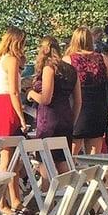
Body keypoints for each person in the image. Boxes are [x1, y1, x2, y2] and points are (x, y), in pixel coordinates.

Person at [0, 26, 29, 215]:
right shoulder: (11, 59)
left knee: (12, 158)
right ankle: (1, 202)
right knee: (7, 158)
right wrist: (22, 117)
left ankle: (14, 199)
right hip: (6, 106)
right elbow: (14, 91)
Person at [26, 36, 80, 175]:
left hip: (49, 119)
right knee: (63, 161)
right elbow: (78, 100)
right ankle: (67, 194)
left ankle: (47, 194)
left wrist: (31, 93)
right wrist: (71, 120)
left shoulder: (49, 69)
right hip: (66, 118)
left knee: (45, 162)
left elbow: (46, 99)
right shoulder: (71, 70)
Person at [65, 26, 108, 155]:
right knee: (94, 156)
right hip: (99, 110)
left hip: (77, 108)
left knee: (71, 155)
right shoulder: (102, 58)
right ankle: (93, 175)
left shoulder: (68, 60)